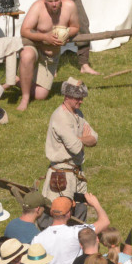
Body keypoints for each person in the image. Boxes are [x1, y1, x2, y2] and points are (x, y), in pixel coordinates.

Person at [17, 0, 79, 111]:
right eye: (51, 1)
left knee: (41, 95)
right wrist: (45, 36)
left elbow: (75, 27)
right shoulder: (37, 7)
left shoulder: (70, 6)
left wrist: (67, 33)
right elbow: (24, 30)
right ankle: (25, 98)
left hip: (51, 56)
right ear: (45, 0)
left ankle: (17, 80)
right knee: (27, 55)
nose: (54, 4)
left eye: (56, 0)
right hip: (36, 47)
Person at [42, 78, 96, 216]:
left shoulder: (78, 114)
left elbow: (94, 139)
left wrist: (79, 139)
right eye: (78, 98)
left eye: (82, 97)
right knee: (60, 213)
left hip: (77, 173)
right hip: (62, 176)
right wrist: (83, 139)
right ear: (67, 97)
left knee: (80, 210)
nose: (81, 101)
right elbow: (75, 147)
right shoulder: (61, 117)